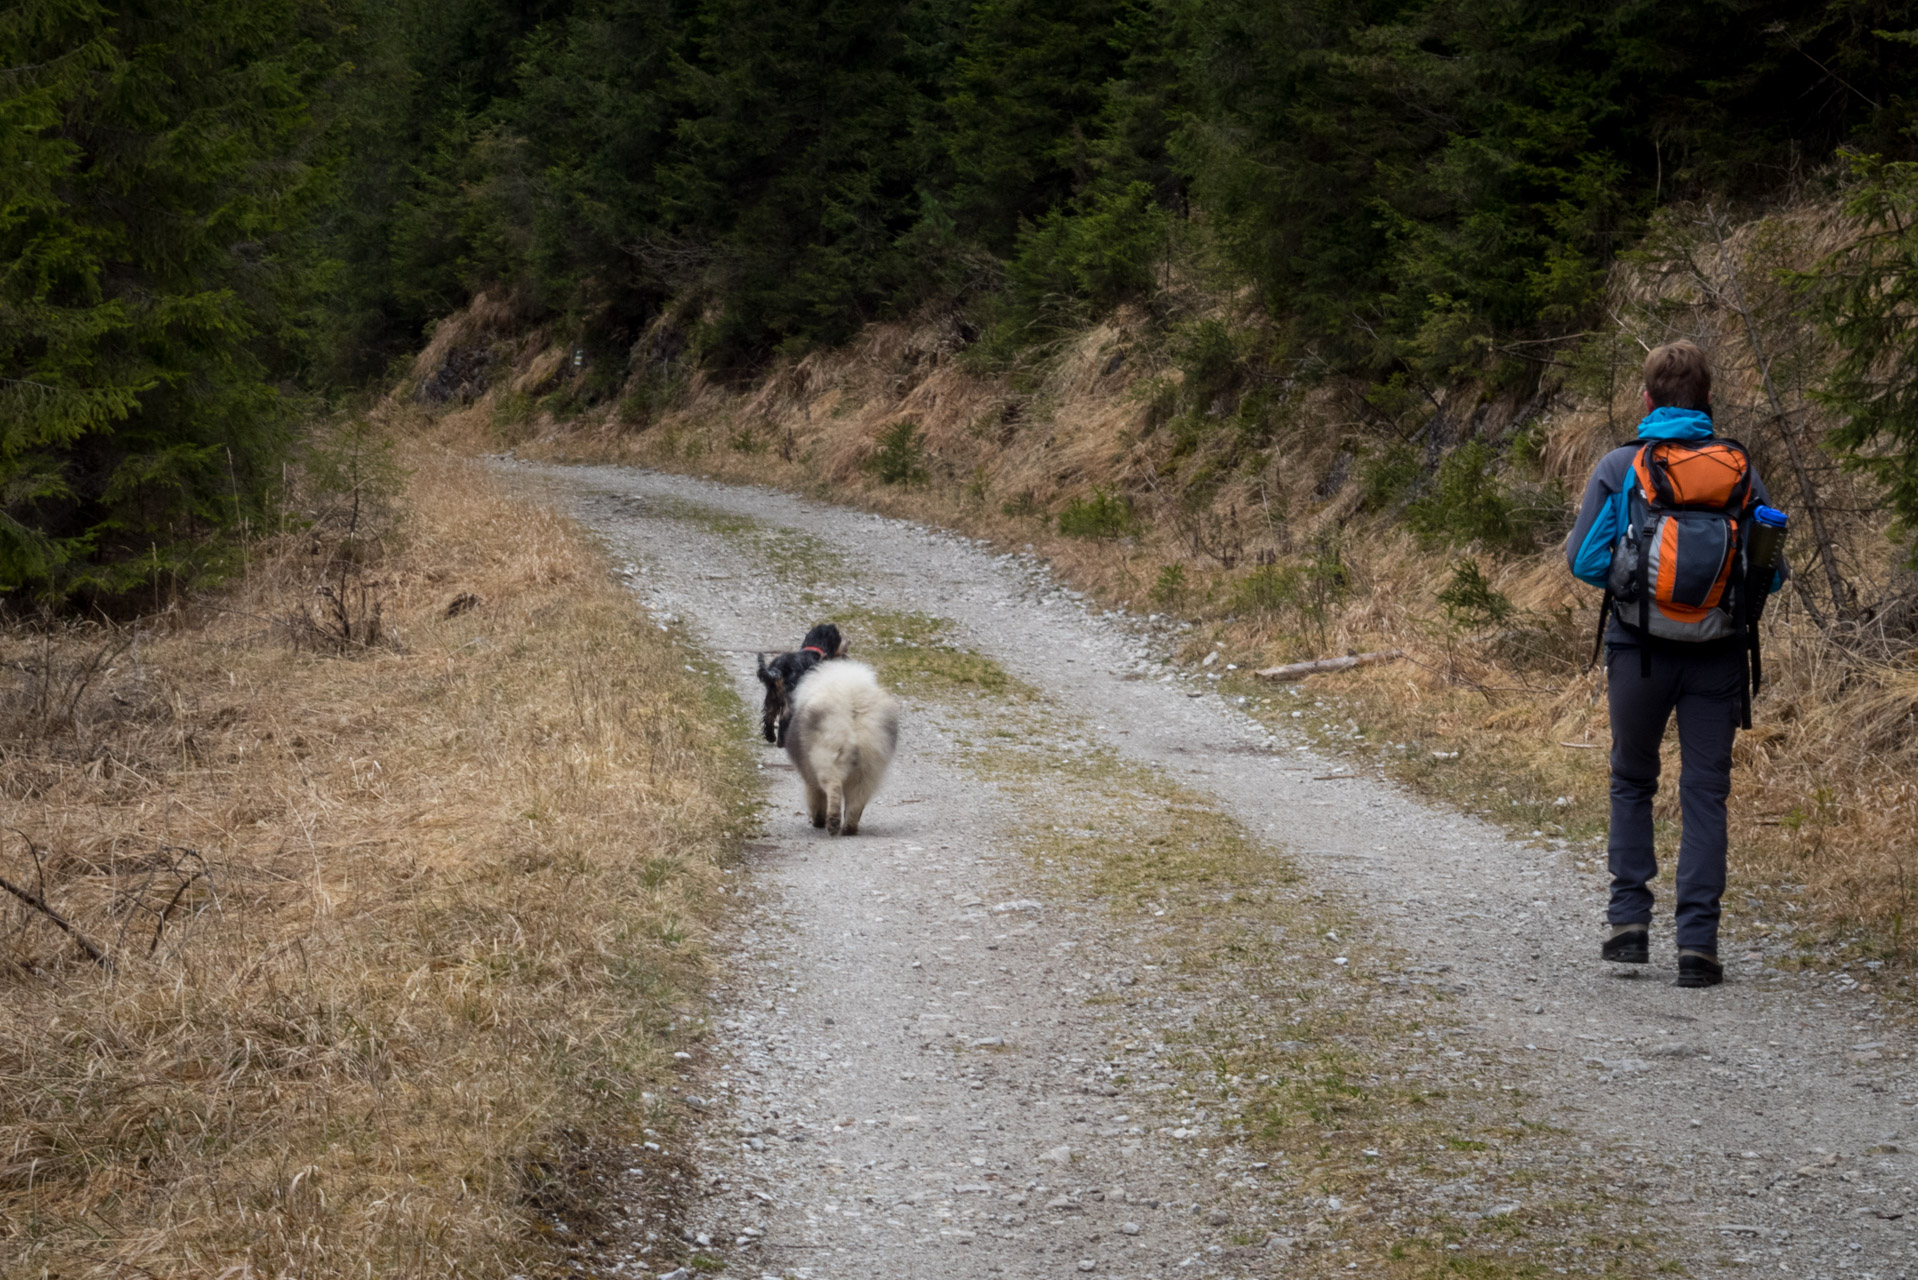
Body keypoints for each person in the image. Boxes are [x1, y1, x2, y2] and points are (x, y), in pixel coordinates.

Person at [1563, 340, 1784, 989]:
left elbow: (1583, 560)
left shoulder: (1621, 466)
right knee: (1705, 796)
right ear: (1709, 401)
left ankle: (1629, 926)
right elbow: (1769, 576)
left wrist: (1640, 586)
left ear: (1647, 400)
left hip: (1639, 653)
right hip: (1716, 659)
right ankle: (1698, 947)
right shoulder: (1739, 470)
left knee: (1633, 779)